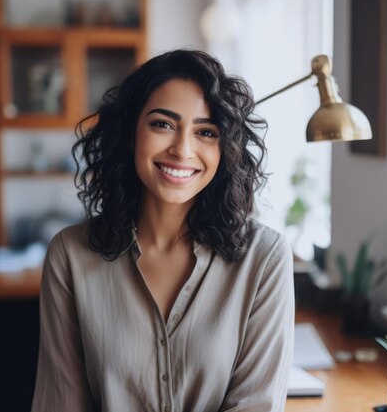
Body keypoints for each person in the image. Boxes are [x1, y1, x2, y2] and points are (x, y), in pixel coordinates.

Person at [31, 49, 294, 412]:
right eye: (163, 124)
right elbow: (61, 404)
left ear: (225, 149)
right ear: (130, 133)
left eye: (206, 131)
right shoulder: (69, 255)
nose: (182, 150)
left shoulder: (264, 258)